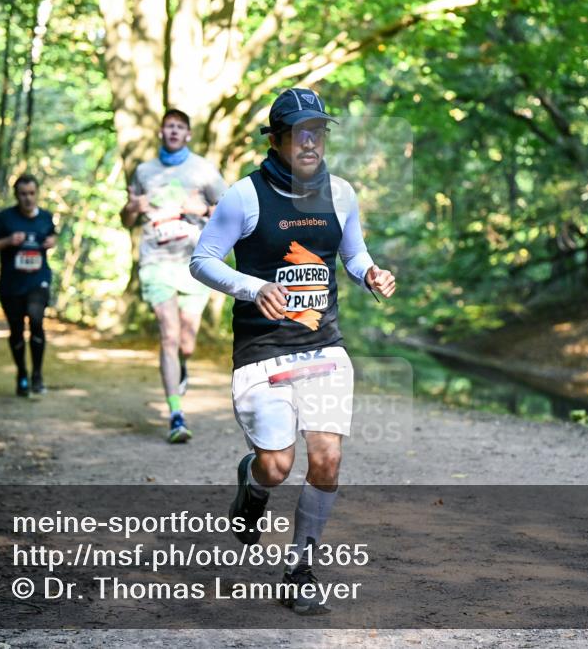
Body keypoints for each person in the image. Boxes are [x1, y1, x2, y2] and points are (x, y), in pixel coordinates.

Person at [190, 88, 396, 614]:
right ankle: (254, 482)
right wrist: (254, 287)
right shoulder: (245, 196)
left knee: (326, 460)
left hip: (324, 348)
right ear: (278, 139)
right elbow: (204, 260)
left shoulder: (342, 193)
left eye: (318, 131)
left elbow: (351, 254)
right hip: (263, 352)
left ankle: (300, 569)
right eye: (300, 132)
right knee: (277, 466)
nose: (311, 141)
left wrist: (369, 273)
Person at [120, 109, 227, 444]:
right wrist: (132, 209)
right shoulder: (144, 172)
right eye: (169, 126)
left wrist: (202, 210)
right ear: (161, 132)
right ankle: (176, 415)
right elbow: (126, 218)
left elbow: (228, 210)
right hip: (156, 261)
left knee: (186, 342)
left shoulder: (203, 170)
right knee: (168, 334)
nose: (174, 131)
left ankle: (182, 363)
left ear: (188, 134)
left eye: (181, 127)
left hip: (195, 262)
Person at [0, 174, 57, 397]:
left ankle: (37, 376)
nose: (28, 198)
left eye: (32, 193)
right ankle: (22, 373)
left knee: (36, 321)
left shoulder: (46, 218)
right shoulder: (4, 219)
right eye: (23, 194)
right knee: (16, 331)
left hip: (38, 281)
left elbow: (52, 237)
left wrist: (53, 241)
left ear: (37, 193)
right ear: (16, 195)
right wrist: (7, 241)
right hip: (11, 285)